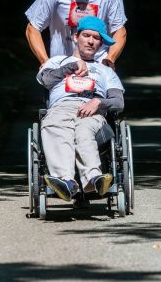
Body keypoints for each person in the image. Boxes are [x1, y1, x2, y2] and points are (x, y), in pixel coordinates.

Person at [37, 16, 125, 202]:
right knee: (55, 125)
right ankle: (65, 182)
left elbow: (118, 101)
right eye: (86, 35)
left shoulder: (106, 71)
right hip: (61, 106)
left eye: (96, 38)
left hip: (92, 111)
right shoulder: (57, 61)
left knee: (84, 130)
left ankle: (94, 179)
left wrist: (99, 102)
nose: (91, 41)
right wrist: (70, 67)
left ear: (101, 43)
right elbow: (46, 81)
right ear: (76, 37)